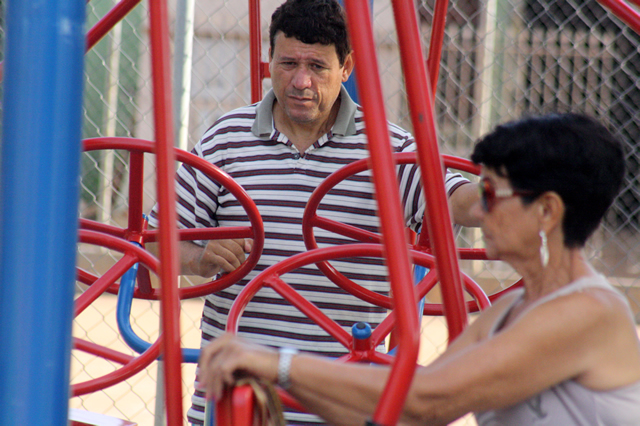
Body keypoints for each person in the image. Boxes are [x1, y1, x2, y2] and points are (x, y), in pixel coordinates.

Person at [147, 0, 479, 423]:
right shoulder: (225, 139)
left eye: (318, 67)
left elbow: (451, 197)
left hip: (341, 403)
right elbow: (158, 240)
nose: (300, 81)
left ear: (347, 68)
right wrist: (198, 257)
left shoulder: (388, 149)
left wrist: (498, 194)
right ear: (269, 63)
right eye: (287, 63)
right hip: (241, 402)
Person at [197, 113, 640, 425]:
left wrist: (278, 362)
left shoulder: (589, 312)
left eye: (490, 194)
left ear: (546, 211)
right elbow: (409, 410)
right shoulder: (506, 316)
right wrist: (273, 374)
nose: (481, 213)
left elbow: (427, 401)